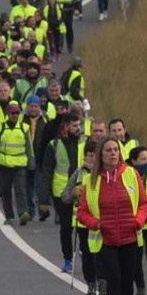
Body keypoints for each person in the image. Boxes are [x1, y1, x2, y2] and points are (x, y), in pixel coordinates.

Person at [78, 137, 147, 295]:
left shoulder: (131, 174)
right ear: (101, 154)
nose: (113, 153)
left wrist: (138, 221)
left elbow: (144, 203)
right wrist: (96, 224)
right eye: (108, 150)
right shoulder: (91, 180)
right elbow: (82, 212)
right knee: (114, 279)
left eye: (116, 149)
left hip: (130, 237)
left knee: (128, 281)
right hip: (105, 239)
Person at [41, 113, 83, 273]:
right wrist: (44, 199)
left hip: (82, 191)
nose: (78, 129)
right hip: (61, 193)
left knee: (83, 226)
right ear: (65, 128)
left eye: (79, 125)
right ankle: (67, 259)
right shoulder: (54, 145)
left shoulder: (83, 144)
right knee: (66, 227)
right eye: (74, 126)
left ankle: (83, 251)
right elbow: (47, 172)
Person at [63, 140, 99, 295]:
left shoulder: (106, 174)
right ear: (85, 157)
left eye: (95, 156)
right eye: (90, 155)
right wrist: (73, 193)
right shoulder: (78, 173)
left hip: (101, 220)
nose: (92, 159)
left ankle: (103, 280)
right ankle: (91, 283)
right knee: (87, 253)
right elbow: (65, 196)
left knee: (102, 253)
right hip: (83, 222)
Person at [0, 101, 34, 225]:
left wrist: (31, 163)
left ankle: (23, 213)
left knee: (20, 189)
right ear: (8, 114)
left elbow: (29, 147)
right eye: (13, 113)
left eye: (17, 113)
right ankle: (9, 216)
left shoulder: (24, 128)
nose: (15, 115)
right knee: (5, 190)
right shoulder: (1, 127)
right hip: (4, 164)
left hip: (20, 163)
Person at [129, 146, 147, 295]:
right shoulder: (129, 175)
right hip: (135, 222)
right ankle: (140, 285)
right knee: (136, 256)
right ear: (134, 161)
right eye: (143, 159)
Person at [24, 95, 49, 220]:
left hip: (41, 157)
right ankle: (31, 211)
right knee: (28, 186)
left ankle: (41, 210)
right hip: (26, 157)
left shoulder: (45, 119)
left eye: (36, 106)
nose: (33, 109)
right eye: (31, 106)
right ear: (27, 106)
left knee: (40, 185)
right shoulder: (21, 119)